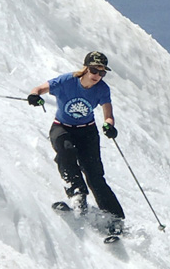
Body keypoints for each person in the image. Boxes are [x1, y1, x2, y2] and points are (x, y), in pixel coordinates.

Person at [28, 51, 125, 224]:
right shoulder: (67, 81)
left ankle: (115, 218)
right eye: (95, 70)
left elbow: (108, 114)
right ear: (86, 68)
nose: (97, 76)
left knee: (94, 174)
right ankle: (77, 193)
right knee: (66, 151)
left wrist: (109, 125)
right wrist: (35, 95)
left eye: (102, 73)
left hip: (87, 132)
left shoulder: (102, 89)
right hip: (62, 127)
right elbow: (40, 88)